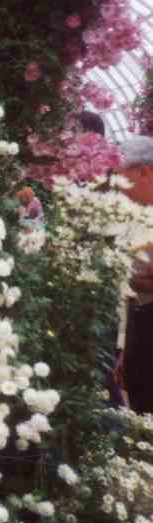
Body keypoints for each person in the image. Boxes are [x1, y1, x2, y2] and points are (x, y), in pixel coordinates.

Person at [116, 136, 153, 413]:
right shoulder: (140, 213)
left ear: (144, 172)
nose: (119, 187)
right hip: (141, 323)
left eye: (122, 177)